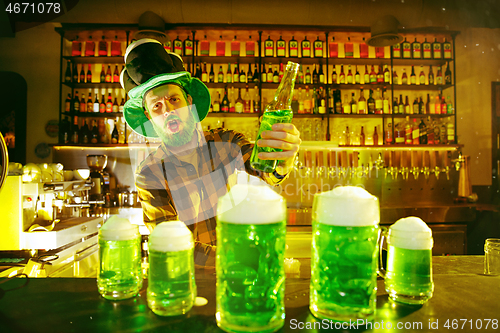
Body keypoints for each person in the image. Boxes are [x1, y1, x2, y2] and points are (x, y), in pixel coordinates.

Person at [120, 39, 301, 267]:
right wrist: (239, 259)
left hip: (234, 278)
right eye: (157, 105)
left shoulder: (225, 142)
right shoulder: (150, 173)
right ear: (149, 117)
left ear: (189, 101)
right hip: (189, 284)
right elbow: (171, 244)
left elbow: (265, 170)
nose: (168, 111)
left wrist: (281, 161)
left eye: (174, 99)